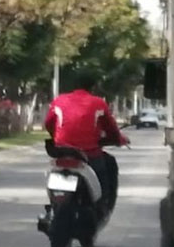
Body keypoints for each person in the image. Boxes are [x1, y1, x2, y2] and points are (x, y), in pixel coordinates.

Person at [43, 73, 127, 215]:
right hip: (90, 154)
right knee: (107, 171)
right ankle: (103, 207)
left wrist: (58, 138)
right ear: (93, 87)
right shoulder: (98, 103)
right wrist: (119, 139)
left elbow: (49, 124)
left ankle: (54, 207)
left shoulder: (59, 101)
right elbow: (111, 130)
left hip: (61, 152)